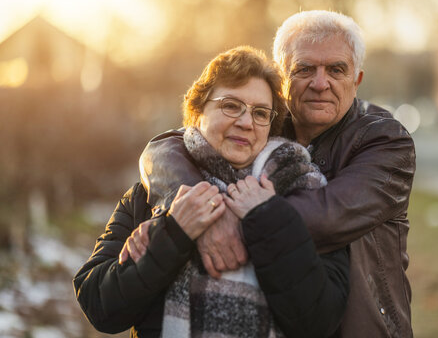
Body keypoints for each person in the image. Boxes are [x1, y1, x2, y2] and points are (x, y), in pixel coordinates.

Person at [138, 10, 416, 337]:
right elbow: (168, 147)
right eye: (304, 69)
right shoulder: (261, 121)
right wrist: (195, 210)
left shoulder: (385, 140)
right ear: (281, 79)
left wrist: (211, 221)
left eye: (336, 69)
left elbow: (327, 215)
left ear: (356, 80)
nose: (320, 83)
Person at [73, 46, 349, 338]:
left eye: (260, 113)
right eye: (231, 105)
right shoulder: (152, 193)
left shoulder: (306, 192)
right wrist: (174, 232)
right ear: (198, 110)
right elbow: (99, 305)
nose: (245, 122)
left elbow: (321, 321)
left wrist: (269, 220)